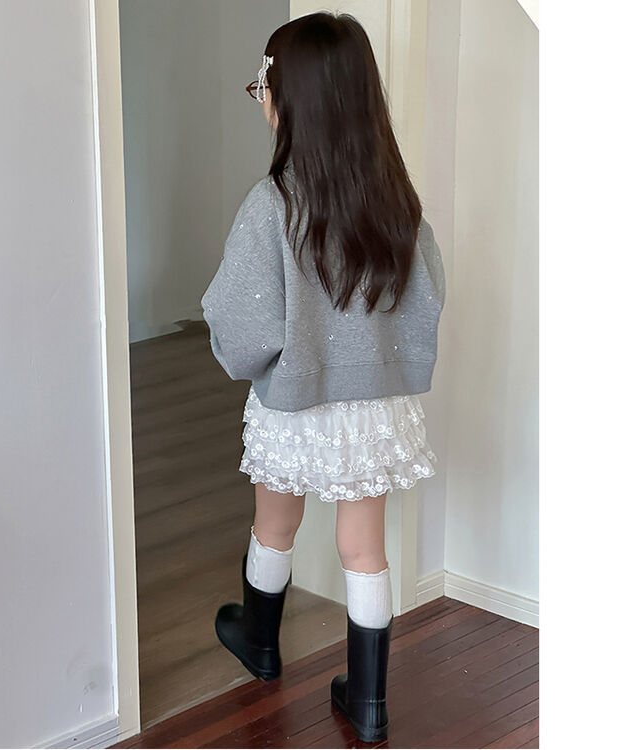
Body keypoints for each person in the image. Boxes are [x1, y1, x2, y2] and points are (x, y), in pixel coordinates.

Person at [200, 11, 444, 744]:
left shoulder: (272, 205)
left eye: (264, 87)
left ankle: (260, 641)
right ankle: (368, 703)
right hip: (375, 408)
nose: (262, 100)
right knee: (364, 550)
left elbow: (241, 325)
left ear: (290, 100)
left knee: (275, 526)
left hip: (295, 402)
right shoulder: (398, 203)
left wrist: (245, 359)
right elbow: (426, 301)